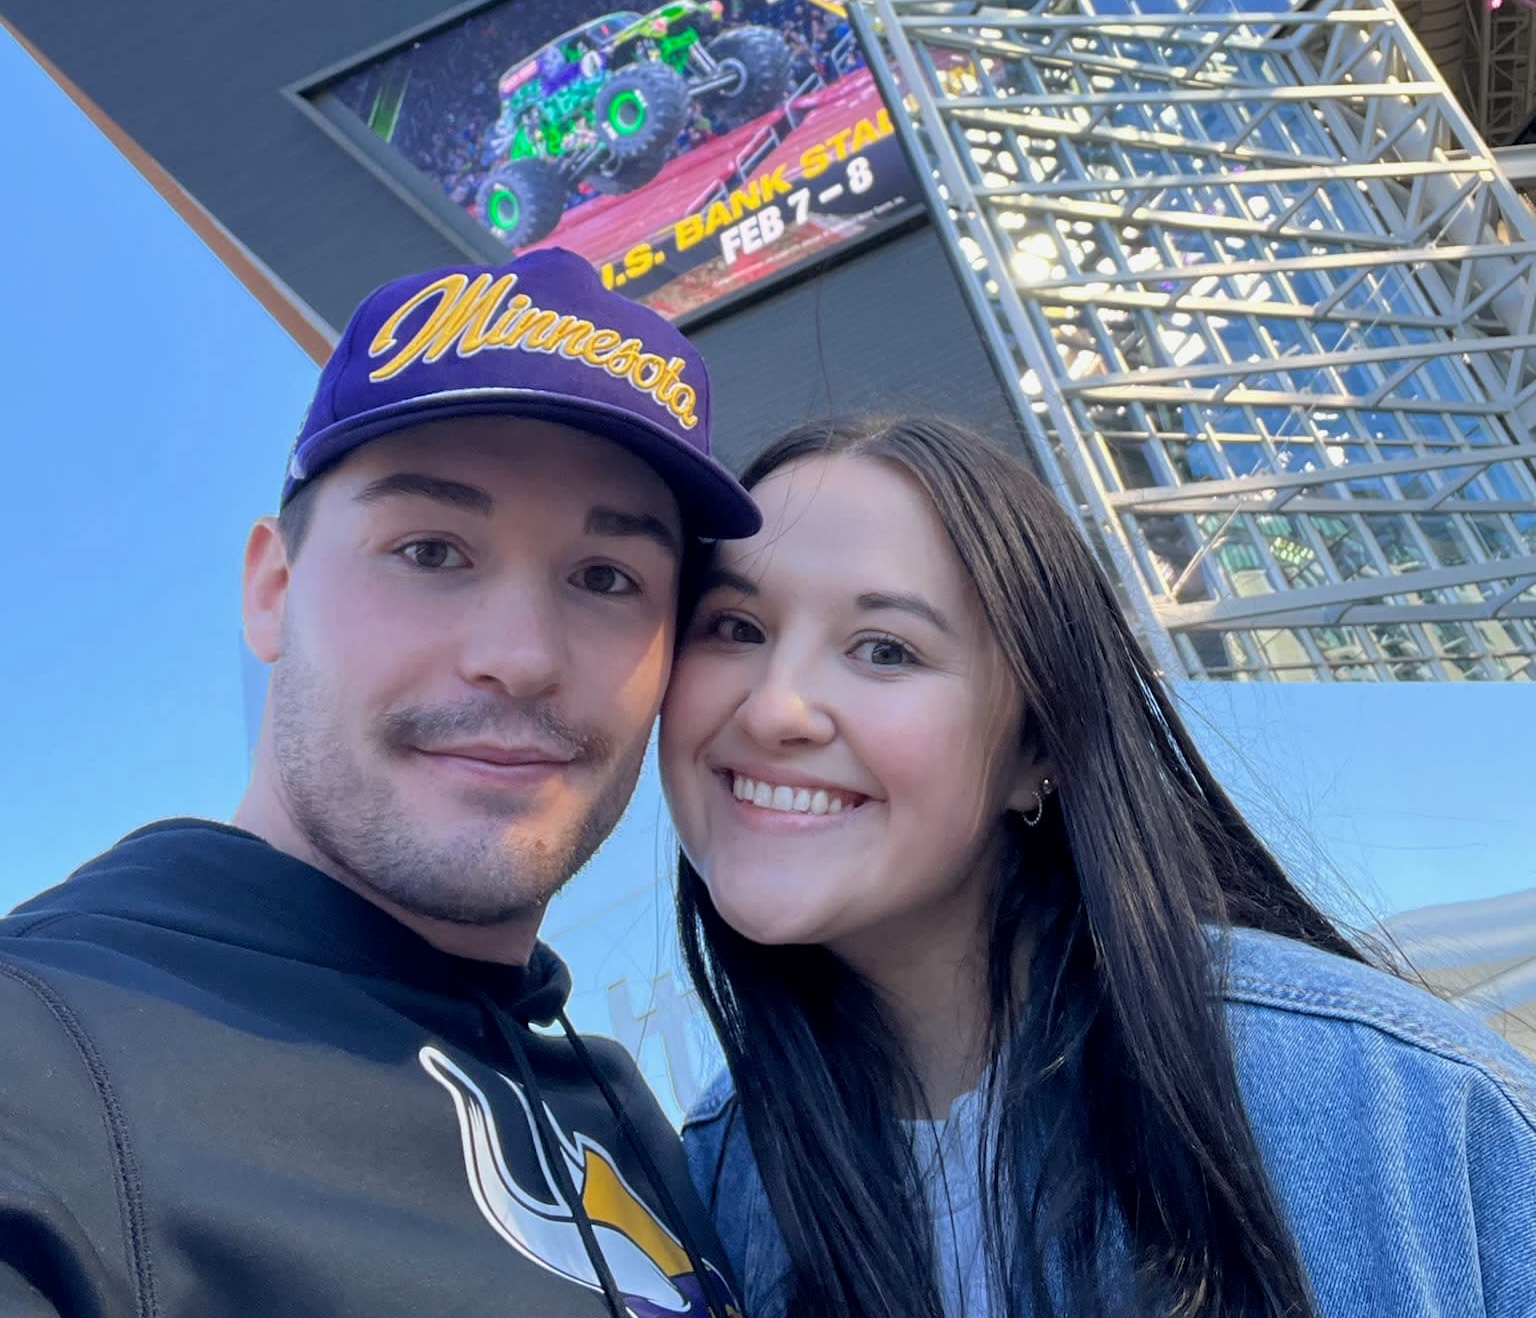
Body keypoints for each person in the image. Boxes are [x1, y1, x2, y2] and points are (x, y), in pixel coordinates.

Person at [0, 248, 758, 1318]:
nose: (523, 653)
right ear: (271, 587)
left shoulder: (626, 1119)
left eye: (606, 577)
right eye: (432, 549)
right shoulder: (43, 1056)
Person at [663, 414, 1536, 1318]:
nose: (775, 709)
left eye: (886, 650)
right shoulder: (708, 1184)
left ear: (1040, 741)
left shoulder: (1401, 1105)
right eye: (734, 627)